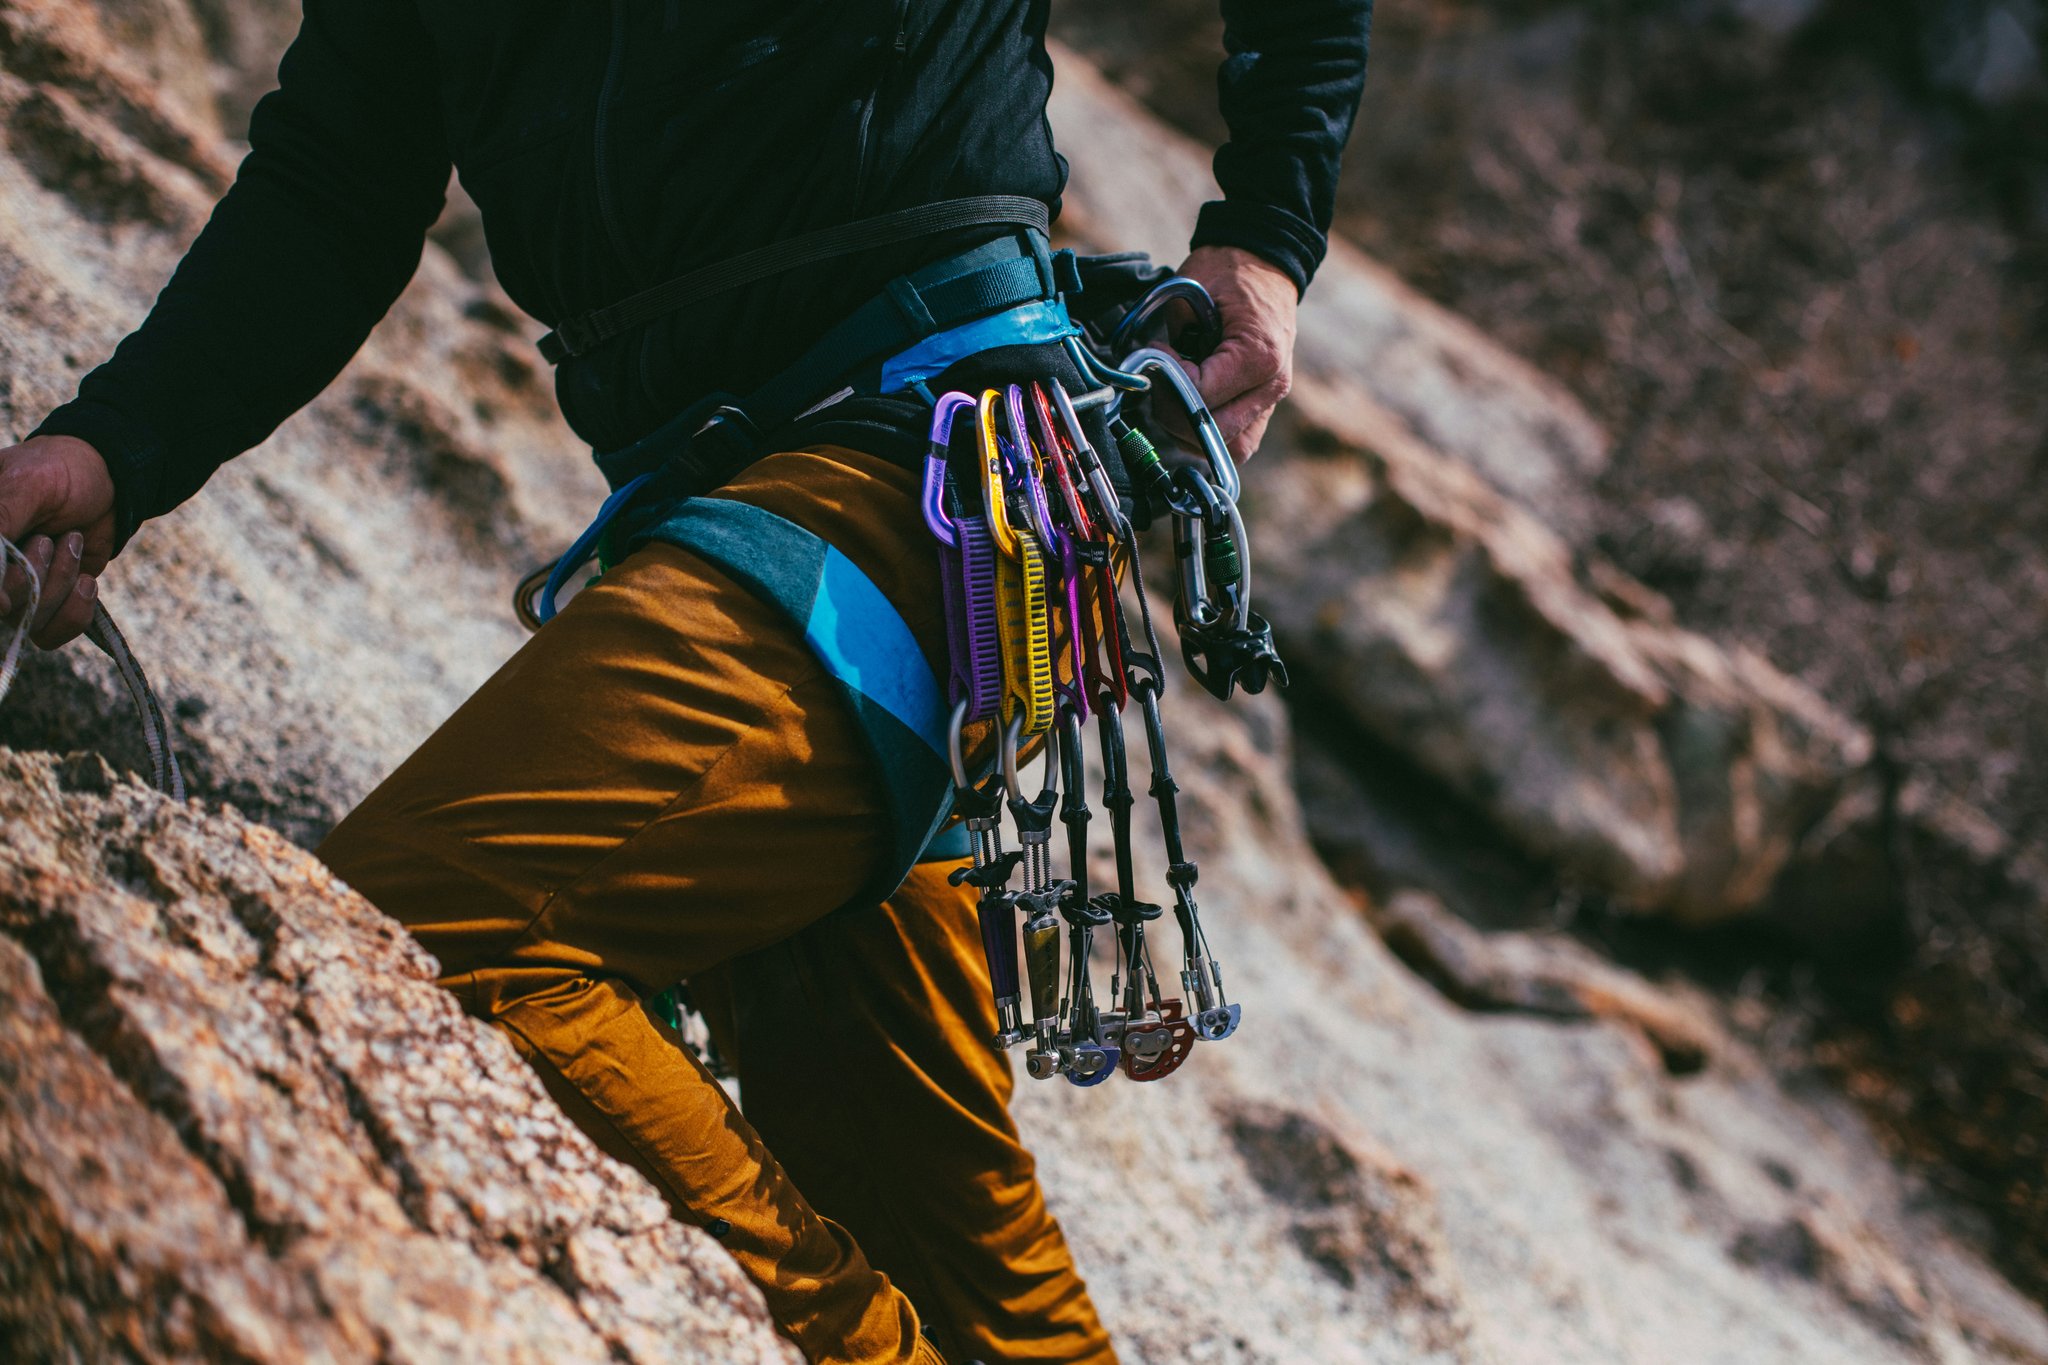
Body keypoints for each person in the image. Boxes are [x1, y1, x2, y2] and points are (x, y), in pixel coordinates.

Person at [0, 3, 1370, 1361]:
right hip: (764, 523)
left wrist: (1267, 236)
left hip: (927, 466)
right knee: (969, 1283)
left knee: (435, 925)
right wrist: (118, 451)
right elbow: (339, 176)